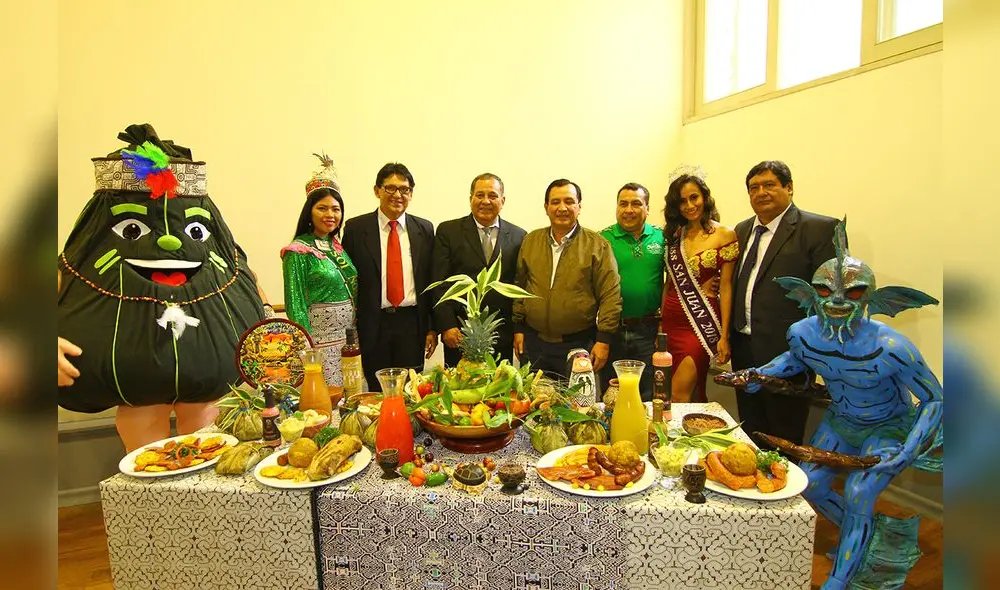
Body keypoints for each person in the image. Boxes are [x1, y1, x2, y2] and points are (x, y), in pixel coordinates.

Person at [57, 123, 267, 452]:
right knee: (145, 454)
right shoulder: (79, 264)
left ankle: (201, 502)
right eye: (131, 230)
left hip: (206, 390)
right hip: (137, 390)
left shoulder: (224, 263)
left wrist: (268, 328)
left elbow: (249, 283)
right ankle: (148, 501)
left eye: (194, 231)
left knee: (207, 441)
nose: (168, 241)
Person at [729, 160, 838, 444]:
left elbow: (830, 295)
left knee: (784, 430)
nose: (761, 192)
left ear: (789, 188)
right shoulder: (740, 231)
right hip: (743, 344)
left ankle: (785, 486)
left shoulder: (819, 229)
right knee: (750, 426)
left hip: (789, 350)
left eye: (769, 185)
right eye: (754, 188)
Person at [341, 162, 437, 391]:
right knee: (376, 390)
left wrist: (431, 327)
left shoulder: (424, 229)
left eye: (404, 189)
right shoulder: (356, 229)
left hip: (412, 323)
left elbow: (430, 281)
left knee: (410, 390)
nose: (398, 195)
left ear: (411, 193)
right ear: (377, 191)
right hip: (374, 323)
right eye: (390, 188)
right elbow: (347, 280)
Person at [512, 179, 621, 380]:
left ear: (579, 206)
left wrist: (604, 340)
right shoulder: (531, 241)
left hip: (578, 344)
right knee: (535, 404)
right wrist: (518, 328)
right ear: (546, 207)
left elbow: (610, 296)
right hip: (534, 344)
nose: (562, 208)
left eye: (569, 201)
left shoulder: (597, 245)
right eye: (555, 202)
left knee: (576, 406)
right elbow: (520, 286)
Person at [659, 168, 738, 403]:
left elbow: (726, 288)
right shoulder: (675, 235)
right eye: (682, 201)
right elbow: (669, 283)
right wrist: (661, 324)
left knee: (677, 393)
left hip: (700, 323)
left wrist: (724, 336)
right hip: (671, 320)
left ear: (705, 197)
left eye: (694, 197)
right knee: (669, 392)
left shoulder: (725, 234)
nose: (689, 205)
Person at [431, 173, 526, 365]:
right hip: (459, 334)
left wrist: (519, 329)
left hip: (501, 333)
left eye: (492, 195)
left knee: (499, 391)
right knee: (460, 391)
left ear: (503, 200)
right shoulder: (448, 232)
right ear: (470, 198)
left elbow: (519, 285)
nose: (485, 201)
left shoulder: (519, 236)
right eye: (479, 195)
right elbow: (439, 281)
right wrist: (446, 325)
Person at [281, 153, 359, 388]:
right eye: (322, 208)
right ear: (309, 212)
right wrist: (307, 350)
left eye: (336, 209)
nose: (330, 215)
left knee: (351, 394)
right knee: (326, 400)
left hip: (347, 340)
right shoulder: (298, 251)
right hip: (319, 344)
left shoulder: (339, 248)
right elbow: (296, 304)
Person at [598, 183, 663, 400]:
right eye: (623, 204)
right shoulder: (601, 239)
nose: (629, 209)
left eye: (636, 204)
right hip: (612, 331)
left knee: (647, 393)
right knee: (611, 394)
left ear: (647, 208)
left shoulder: (662, 238)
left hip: (648, 331)